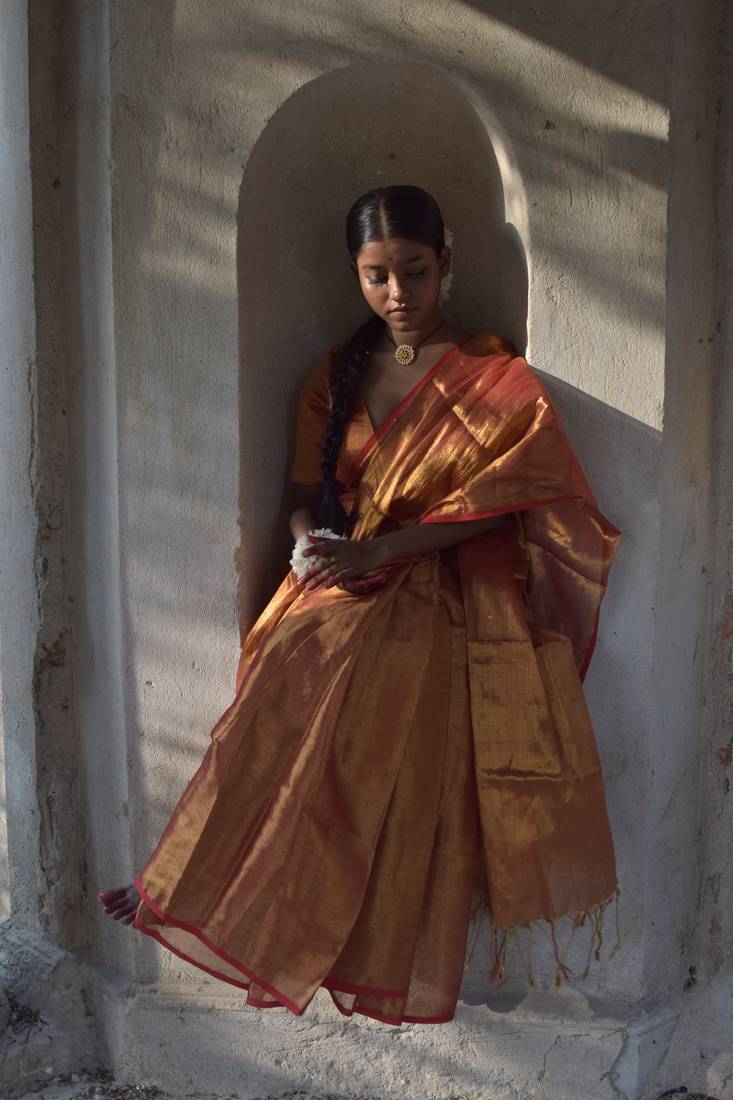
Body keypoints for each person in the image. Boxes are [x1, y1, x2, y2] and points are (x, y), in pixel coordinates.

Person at [98, 183, 622, 1026]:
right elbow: (301, 495)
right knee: (272, 700)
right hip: (346, 568)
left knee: (379, 743)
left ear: (445, 262)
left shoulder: (493, 378)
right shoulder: (332, 376)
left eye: (413, 272)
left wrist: (382, 551)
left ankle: (332, 929)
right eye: (376, 277)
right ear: (355, 275)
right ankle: (178, 885)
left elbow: (500, 502)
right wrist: (312, 543)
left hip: (442, 584)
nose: (397, 296)